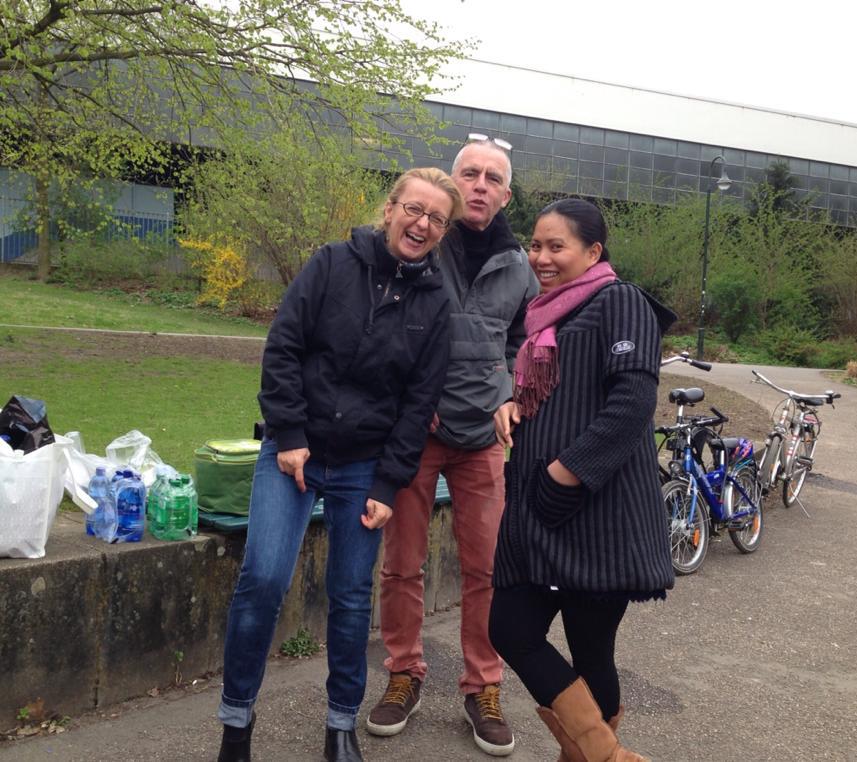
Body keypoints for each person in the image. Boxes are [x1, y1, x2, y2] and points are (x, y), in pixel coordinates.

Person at [216, 168, 463, 762]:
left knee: (350, 595)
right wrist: (289, 434)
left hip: (364, 466)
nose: (422, 224)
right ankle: (236, 722)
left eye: (436, 218)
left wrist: (389, 482)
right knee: (263, 580)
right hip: (294, 451)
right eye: (414, 209)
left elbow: (419, 404)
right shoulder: (331, 264)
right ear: (390, 209)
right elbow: (284, 347)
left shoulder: (437, 303)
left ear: (443, 232)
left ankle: (340, 725)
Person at [366, 135, 539, 756]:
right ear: (453, 179)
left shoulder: (520, 265)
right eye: (470, 173)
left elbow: (526, 342)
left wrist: (510, 392)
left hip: (483, 438)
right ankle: (404, 673)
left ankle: (482, 686)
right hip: (414, 433)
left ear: (506, 195)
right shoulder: (423, 243)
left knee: (486, 569)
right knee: (401, 564)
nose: (480, 185)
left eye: (493, 178)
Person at [488, 198, 676, 762]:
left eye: (557, 246)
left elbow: (632, 402)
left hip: (598, 514)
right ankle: (608, 756)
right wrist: (514, 404)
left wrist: (562, 475)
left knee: (591, 652)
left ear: (593, 252)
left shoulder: (620, 301)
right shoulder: (546, 315)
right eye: (535, 245)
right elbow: (559, 393)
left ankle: (594, 756)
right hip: (541, 517)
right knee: (511, 629)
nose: (541, 257)